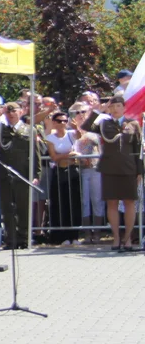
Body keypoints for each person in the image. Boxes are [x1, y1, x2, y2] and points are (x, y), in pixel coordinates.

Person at [0, 103, 45, 250]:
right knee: (7, 207)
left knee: (23, 207)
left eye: (14, 111)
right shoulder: (0, 128)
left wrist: (36, 174)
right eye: (8, 112)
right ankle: (11, 239)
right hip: (5, 173)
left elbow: (35, 154)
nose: (11, 114)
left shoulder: (29, 130)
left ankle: (24, 238)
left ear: (21, 112)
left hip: (23, 173)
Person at [81, 95, 143, 251]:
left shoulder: (133, 124)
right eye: (112, 107)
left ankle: (127, 239)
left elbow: (138, 151)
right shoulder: (104, 124)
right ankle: (116, 238)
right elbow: (87, 126)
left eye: (118, 106)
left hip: (129, 169)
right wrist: (97, 111)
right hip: (109, 169)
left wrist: (140, 171)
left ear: (123, 108)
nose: (115, 109)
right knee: (112, 203)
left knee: (129, 203)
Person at [45, 112, 81, 246]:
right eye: (59, 121)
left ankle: (75, 235)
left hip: (73, 170)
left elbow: (79, 137)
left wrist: (76, 128)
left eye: (65, 121)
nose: (62, 123)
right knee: (62, 203)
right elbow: (54, 157)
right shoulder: (50, 138)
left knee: (75, 203)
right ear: (54, 122)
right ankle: (63, 235)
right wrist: (68, 154)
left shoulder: (71, 134)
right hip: (59, 172)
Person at [70, 103, 103, 244]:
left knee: (97, 201)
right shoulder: (70, 130)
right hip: (81, 169)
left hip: (96, 168)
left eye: (83, 111)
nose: (80, 114)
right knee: (84, 202)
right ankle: (87, 232)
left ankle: (98, 232)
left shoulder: (94, 128)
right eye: (77, 112)